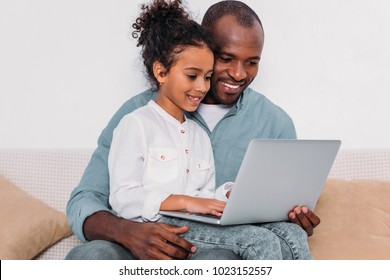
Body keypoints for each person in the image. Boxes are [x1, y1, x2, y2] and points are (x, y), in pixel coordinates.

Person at [66, 0, 319, 260]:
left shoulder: (274, 123)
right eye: (226, 58)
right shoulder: (135, 116)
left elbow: (207, 195)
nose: (238, 73)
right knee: (92, 256)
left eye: (252, 62)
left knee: (222, 259)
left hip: (211, 244)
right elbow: (90, 198)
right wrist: (128, 232)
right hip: (138, 235)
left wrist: (283, 213)